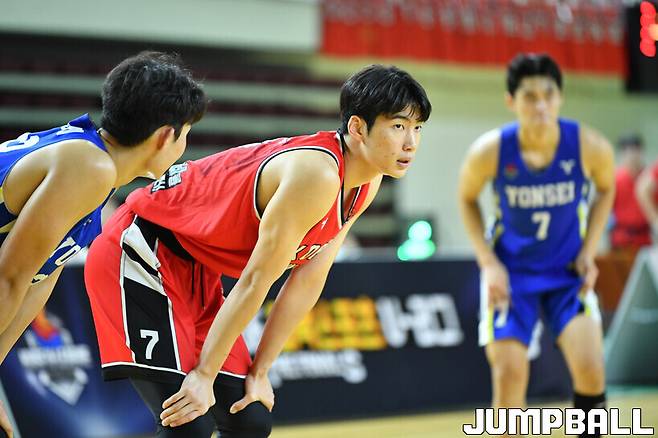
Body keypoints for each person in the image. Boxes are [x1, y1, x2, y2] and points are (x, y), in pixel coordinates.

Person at [83, 64, 431, 438]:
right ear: (358, 128)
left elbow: (309, 279)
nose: (410, 142)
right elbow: (254, 281)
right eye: (398, 126)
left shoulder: (366, 181)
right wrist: (204, 375)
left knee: (249, 420)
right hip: (140, 248)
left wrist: (261, 370)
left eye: (417, 128)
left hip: (194, 267)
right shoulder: (318, 175)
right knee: (188, 423)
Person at [0, 51, 207, 438]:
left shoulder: (93, 162)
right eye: (186, 133)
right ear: (166, 135)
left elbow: (38, 279)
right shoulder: (90, 167)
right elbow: (8, 277)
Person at [458, 53, 614, 438]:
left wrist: (588, 250)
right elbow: (466, 198)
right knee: (509, 379)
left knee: (591, 368)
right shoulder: (491, 150)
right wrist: (488, 262)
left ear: (560, 98)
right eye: (530, 96)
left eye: (548, 94)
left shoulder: (588, 145)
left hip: (567, 274)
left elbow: (606, 188)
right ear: (511, 101)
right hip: (511, 277)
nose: (541, 105)